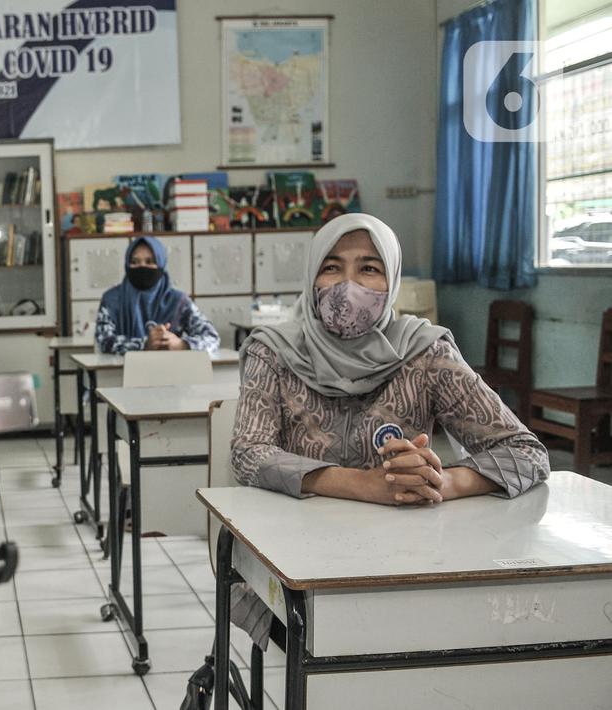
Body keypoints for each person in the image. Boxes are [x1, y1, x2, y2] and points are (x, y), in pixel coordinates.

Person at [229, 213, 549, 646]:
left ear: (392, 279)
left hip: (405, 560)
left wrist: (440, 482)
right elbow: (249, 451)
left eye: (369, 268)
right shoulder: (275, 352)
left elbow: (525, 452)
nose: (348, 284)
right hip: (295, 563)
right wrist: (362, 484)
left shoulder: (424, 351)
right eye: (331, 266)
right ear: (312, 277)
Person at [95, 236, 219, 354]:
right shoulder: (111, 299)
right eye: (134, 262)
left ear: (161, 264)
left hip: (172, 371)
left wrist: (182, 344)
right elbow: (104, 341)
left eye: (149, 261)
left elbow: (211, 337)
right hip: (117, 373)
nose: (142, 267)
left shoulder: (178, 301)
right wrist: (145, 344)